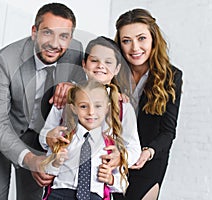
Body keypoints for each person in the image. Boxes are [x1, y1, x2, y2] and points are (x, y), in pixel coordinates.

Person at [0, 3, 86, 200]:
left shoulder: (76, 52)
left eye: (63, 36)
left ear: (70, 38)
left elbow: (90, 91)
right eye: (47, 33)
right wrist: (30, 160)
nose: (55, 44)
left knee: (33, 197)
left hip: (37, 137)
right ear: (34, 32)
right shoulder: (6, 60)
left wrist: (74, 88)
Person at [39, 36, 141, 199]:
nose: (101, 66)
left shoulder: (123, 107)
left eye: (108, 62)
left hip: (98, 189)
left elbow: (134, 148)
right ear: (84, 64)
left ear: (117, 69)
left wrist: (120, 158)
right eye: (94, 60)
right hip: (61, 188)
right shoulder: (66, 98)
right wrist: (51, 138)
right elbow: (44, 137)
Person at [114, 8, 183, 200]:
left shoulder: (171, 77)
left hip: (148, 159)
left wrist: (148, 152)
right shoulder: (111, 71)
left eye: (141, 38)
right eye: (126, 41)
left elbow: (168, 132)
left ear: (153, 38)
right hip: (114, 158)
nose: (135, 48)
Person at [42, 79, 128, 200]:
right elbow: (46, 171)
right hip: (60, 194)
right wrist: (56, 163)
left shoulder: (110, 146)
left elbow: (123, 184)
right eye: (83, 106)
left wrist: (111, 179)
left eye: (98, 106)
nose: (91, 112)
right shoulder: (63, 138)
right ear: (73, 108)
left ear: (106, 108)